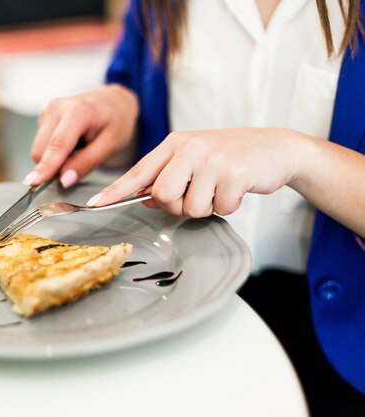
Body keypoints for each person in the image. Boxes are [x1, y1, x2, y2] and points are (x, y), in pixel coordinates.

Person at [22, 0, 365, 414]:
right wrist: (121, 112)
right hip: (174, 311)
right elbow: (148, 107)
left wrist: (300, 156)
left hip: (343, 347)